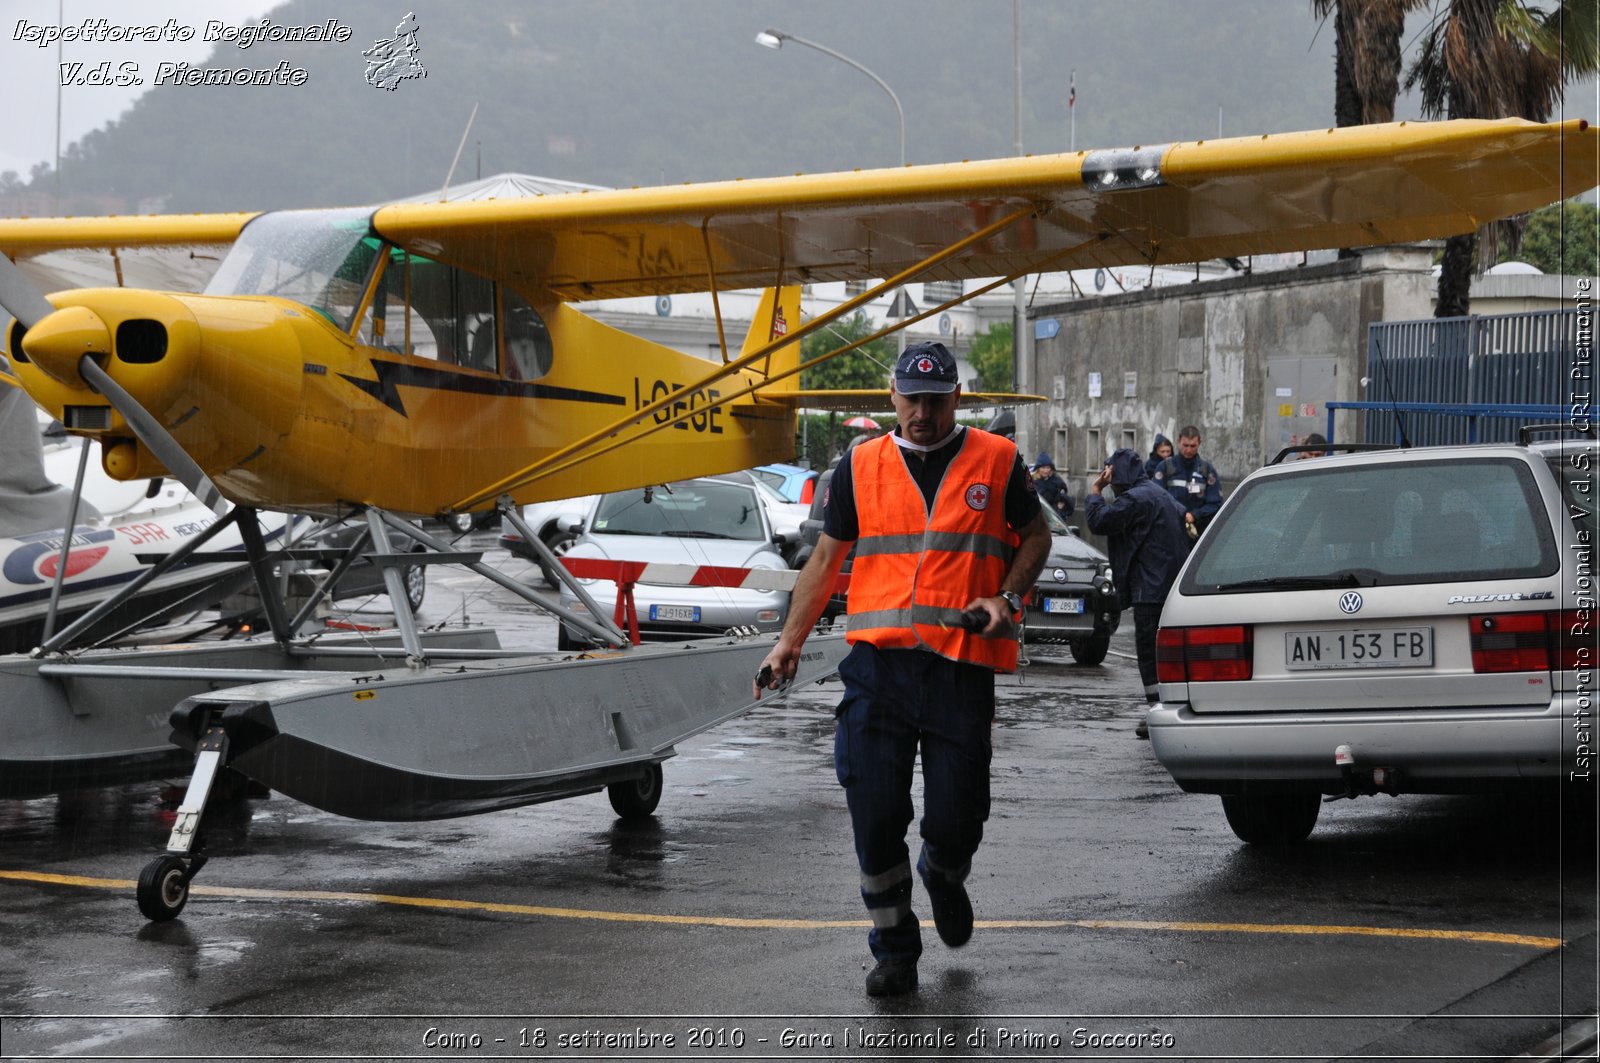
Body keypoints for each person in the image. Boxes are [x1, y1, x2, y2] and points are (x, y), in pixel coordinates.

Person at [754, 340, 1050, 998]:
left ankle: (944, 872)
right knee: (874, 810)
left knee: (955, 816)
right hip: (877, 668)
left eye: (936, 400)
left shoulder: (997, 461)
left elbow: (1037, 536)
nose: (922, 412)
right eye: (912, 399)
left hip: (958, 668)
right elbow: (826, 562)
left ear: (957, 399)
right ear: (892, 395)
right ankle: (894, 947)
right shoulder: (858, 467)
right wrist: (788, 643)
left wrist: (1008, 598)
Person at [1084, 448, 1189, 737]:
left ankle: (1156, 713)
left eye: (1110, 477)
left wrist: (1095, 489)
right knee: (1168, 653)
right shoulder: (1159, 495)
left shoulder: (1136, 499)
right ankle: (1169, 709)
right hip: (1170, 588)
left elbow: (1098, 521)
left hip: (1150, 589)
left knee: (1148, 653)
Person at [1153, 425, 1223, 538]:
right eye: (1185, 445)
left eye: (1193, 446)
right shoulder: (1165, 468)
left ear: (1199, 443)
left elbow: (1216, 504)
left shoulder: (1207, 470)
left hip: (1198, 535)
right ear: (1178, 441)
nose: (1189, 450)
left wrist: (1194, 515)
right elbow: (1156, 499)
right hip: (1169, 534)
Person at [1030, 452, 1074, 519]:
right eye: (1043, 468)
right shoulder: (1032, 482)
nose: (1045, 470)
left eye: (1048, 467)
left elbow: (1064, 497)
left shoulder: (1057, 481)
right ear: (1038, 468)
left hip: (1054, 517)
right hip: (1037, 517)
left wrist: (1060, 504)